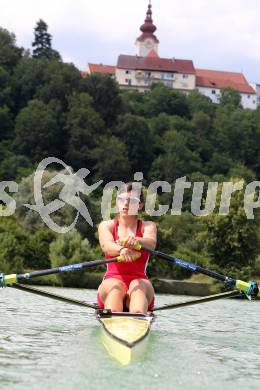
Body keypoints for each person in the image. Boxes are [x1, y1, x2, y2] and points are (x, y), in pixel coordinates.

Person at [97, 183, 157, 314]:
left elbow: (151, 244)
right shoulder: (107, 226)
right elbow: (106, 246)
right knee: (116, 287)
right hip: (111, 281)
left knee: (138, 285)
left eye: (132, 200)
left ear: (140, 205)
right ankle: (113, 315)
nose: (125, 203)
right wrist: (121, 250)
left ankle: (137, 316)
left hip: (140, 282)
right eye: (121, 199)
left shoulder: (148, 226)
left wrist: (136, 241)